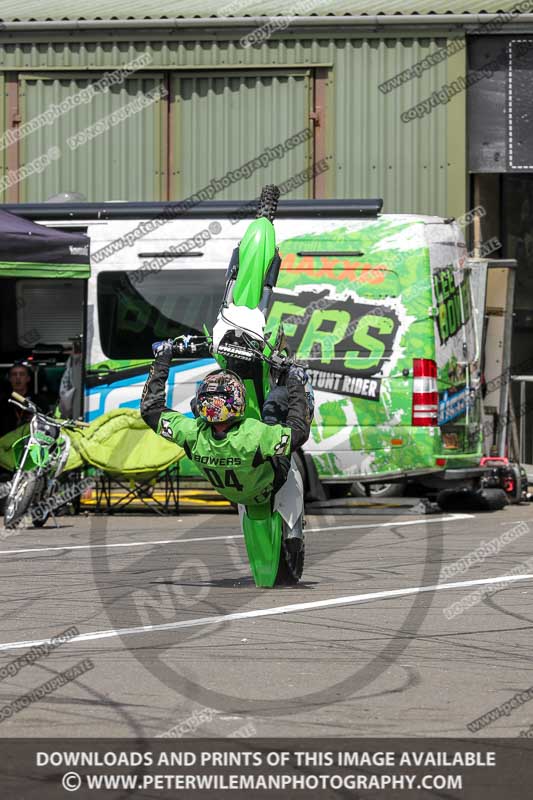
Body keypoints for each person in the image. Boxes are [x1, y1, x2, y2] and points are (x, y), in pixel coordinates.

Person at [140, 340, 312, 511]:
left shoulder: (191, 433)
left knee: (194, 403)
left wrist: (162, 359)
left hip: (232, 494)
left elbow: (150, 410)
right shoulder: (254, 435)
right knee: (279, 395)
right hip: (266, 488)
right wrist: (296, 383)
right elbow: (298, 433)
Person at [0, 362, 39, 437]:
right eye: (14, 375)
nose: (18, 378)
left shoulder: (37, 400)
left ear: (28, 378)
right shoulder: (3, 402)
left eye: (22, 374)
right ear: (9, 378)